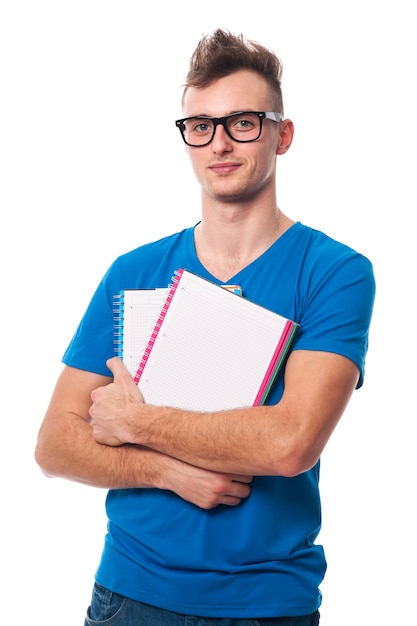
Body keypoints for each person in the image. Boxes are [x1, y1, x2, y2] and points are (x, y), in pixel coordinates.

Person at [35, 28, 375, 626]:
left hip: (268, 603)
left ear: (282, 134)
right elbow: (55, 446)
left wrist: (132, 421)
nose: (220, 143)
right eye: (201, 126)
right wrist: (167, 471)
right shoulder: (133, 271)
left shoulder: (335, 272)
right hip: (130, 597)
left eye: (243, 121)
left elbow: (290, 444)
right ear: (187, 139)